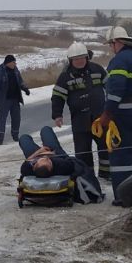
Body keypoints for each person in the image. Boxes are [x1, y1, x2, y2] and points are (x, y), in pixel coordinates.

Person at [94, 25, 132, 205]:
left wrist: (107, 114)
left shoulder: (119, 61)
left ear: (117, 42)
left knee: (119, 156)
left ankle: (124, 195)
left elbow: (116, 90)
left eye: (111, 44)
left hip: (122, 115)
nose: (111, 48)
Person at [51, 42, 110, 181]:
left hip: (100, 117)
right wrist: (57, 115)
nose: (79, 61)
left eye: (82, 58)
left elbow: (111, 87)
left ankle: (106, 174)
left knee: (105, 147)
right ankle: (87, 176)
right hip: (80, 120)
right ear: (70, 60)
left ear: (87, 57)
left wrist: (113, 107)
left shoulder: (97, 69)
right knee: (83, 151)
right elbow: (57, 97)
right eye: (76, 59)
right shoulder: (65, 76)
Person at [18, 125, 103, 203]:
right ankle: (46, 133)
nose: (45, 158)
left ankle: (31, 143)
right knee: (46, 130)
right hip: (56, 154)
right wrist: (50, 154)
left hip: (37, 155)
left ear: (34, 166)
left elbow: (27, 161)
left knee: (23, 138)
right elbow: (68, 160)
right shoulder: (62, 166)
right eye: (47, 161)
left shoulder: (28, 169)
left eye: (43, 160)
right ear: (51, 167)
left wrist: (38, 153)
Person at [0, 54, 30, 145]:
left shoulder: (15, 71)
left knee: (16, 118)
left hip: (15, 98)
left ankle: (15, 136)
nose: (15, 64)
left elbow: (20, 81)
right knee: (2, 119)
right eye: (13, 62)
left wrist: (25, 89)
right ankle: (0, 139)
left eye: (15, 62)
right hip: (4, 100)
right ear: (8, 63)